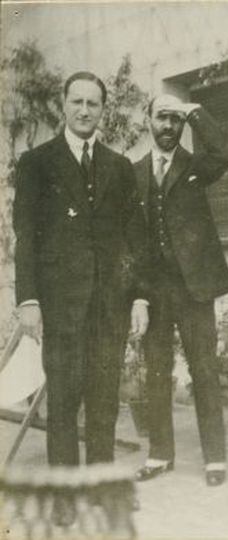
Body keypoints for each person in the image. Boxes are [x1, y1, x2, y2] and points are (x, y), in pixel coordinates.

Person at [13, 71, 149, 524]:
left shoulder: (118, 166)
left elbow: (134, 239)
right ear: (63, 105)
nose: (85, 110)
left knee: (105, 400)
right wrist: (29, 299)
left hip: (109, 305)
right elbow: (26, 238)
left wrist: (140, 299)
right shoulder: (36, 163)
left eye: (94, 103)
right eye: (78, 101)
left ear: (102, 109)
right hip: (60, 304)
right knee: (65, 401)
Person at [133, 94, 228, 486]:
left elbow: (224, 151)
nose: (170, 126)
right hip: (154, 291)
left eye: (177, 120)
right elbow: (132, 239)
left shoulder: (196, 165)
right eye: (163, 118)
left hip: (194, 288)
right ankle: (159, 454)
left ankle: (215, 460)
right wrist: (138, 296)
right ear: (149, 121)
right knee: (156, 372)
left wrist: (194, 110)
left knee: (204, 369)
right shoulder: (134, 172)